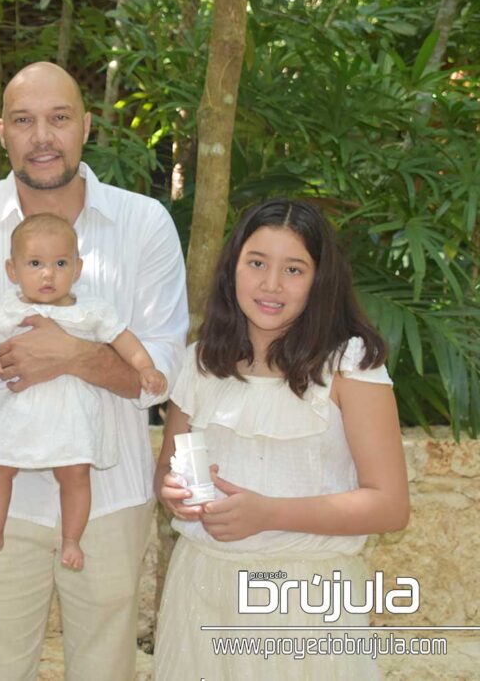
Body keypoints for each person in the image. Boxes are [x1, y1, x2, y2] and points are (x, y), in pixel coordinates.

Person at [0, 62, 188, 680]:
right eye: (25, 121)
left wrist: (71, 356)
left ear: (86, 126)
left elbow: (162, 370)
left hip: (108, 493)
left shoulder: (143, 223)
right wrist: (4, 420)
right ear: (2, 132)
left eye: (59, 118)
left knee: (104, 668)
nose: (43, 136)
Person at [154, 198, 410, 679]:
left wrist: (269, 513)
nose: (271, 285)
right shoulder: (201, 360)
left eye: (294, 269)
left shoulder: (350, 363)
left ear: (320, 280)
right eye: (256, 263)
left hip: (305, 598)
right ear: (233, 268)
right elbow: (168, 469)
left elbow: (390, 505)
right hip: (202, 589)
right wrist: (175, 494)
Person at [0, 213, 166, 570]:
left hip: (70, 415)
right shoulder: (9, 310)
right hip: (17, 414)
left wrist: (145, 367)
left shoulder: (91, 310)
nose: (48, 273)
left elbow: (123, 339)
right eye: (35, 263)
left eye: (60, 263)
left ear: (77, 268)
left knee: (75, 474)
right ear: (12, 270)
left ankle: (72, 538)